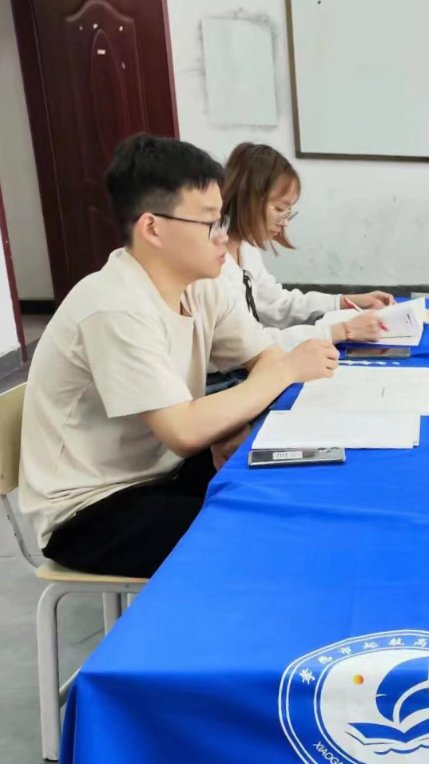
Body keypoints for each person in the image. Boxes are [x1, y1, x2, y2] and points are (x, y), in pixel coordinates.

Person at [19, 134, 339, 577]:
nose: (223, 237)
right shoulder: (113, 305)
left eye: (221, 218)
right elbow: (185, 430)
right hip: (91, 510)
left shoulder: (202, 285)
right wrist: (284, 371)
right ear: (153, 228)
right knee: (268, 540)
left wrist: (233, 422)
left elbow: (262, 357)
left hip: (163, 473)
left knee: (300, 487)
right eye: (209, 223)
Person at [221, 142, 395, 350]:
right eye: (279, 209)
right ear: (247, 199)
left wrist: (344, 301)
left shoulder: (246, 247)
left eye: (288, 211)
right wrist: (340, 331)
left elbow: (276, 303)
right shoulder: (213, 262)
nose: (285, 222)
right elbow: (244, 345)